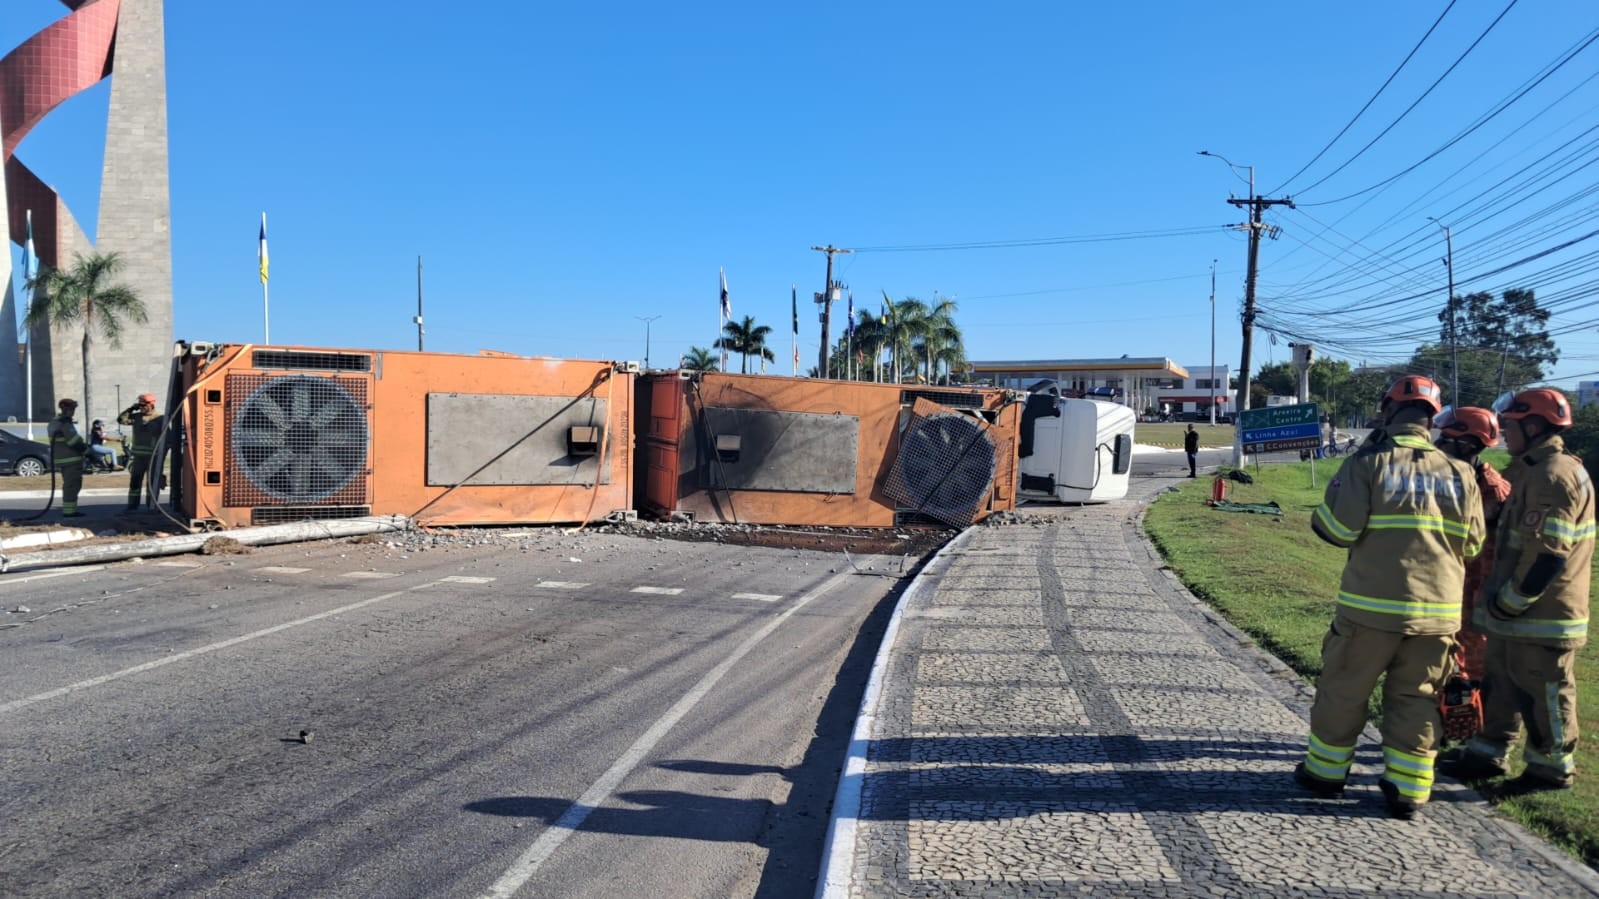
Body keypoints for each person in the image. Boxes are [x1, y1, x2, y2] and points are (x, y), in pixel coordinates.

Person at [1295, 375, 1484, 820]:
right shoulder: (1461, 473)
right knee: (1418, 698)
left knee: (1344, 691)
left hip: (1371, 609)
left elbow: (1338, 530)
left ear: (1387, 409)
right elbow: (1474, 545)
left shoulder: (1370, 462)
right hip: (1438, 616)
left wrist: (1328, 504)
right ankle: (1409, 790)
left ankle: (1325, 774)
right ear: (1432, 419)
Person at [1440, 388, 1594, 792]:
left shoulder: (1553, 477)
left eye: (1510, 425)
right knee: (1501, 687)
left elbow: (1548, 555)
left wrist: (1510, 603)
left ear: (1535, 425)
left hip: (1542, 615)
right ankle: (1487, 754)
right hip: (1513, 615)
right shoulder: (1530, 470)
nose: (1504, 433)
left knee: (1546, 694)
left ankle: (1550, 770)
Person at [1433, 407, 1512, 743]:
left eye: (1445, 440)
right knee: (1445, 665)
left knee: (1472, 672)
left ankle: (1470, 739)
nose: (1438, 445)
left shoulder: (1491, 490)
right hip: (1451, 589)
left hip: (1476, 596)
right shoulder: (1456, 477)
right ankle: (1445, 729)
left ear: (1467, 445)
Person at [118, 392, 163, 513]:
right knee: (135, 482)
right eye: (140, 405)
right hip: (138, 457)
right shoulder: (136, 417)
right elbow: (121, 420)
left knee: (152, 483)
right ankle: (132, 505)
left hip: (153, 457)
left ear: (151, 405)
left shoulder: (160, 418)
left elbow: (167, 437)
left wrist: (162, 454)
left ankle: (152, 506)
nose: (141, 407)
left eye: (143, 405)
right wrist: (131, 409)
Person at [47, 398, 88, 518]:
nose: (73, 411)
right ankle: (69, 512)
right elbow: (74, 442)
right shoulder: (64, 423)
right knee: (72, 486)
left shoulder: (54, 422)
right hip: (71, 459)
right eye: (72, 409)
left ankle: (70, 510)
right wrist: (88, 451)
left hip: (63, 458)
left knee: (71, 485)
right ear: (67, 409)